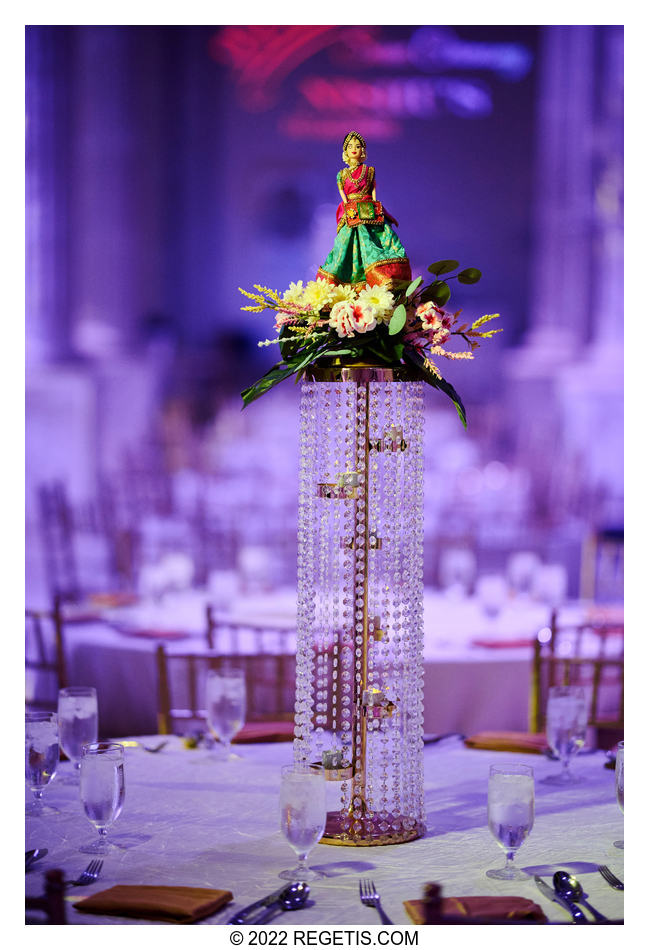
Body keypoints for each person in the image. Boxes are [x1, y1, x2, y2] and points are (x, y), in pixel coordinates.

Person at [317, 131, 412, 289]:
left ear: (363, 150)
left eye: (358, 146)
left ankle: (383, 278)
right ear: (345, 151)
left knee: (379, 241)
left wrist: (378, 209)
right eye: (350, 146)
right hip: (352, 212)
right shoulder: (342, 174)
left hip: (370, 211)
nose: (354, 149)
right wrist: (348, 206)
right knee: (346, 245)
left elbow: (373, 191)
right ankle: (349, 284)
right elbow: (343, 193)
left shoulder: (369, 171)